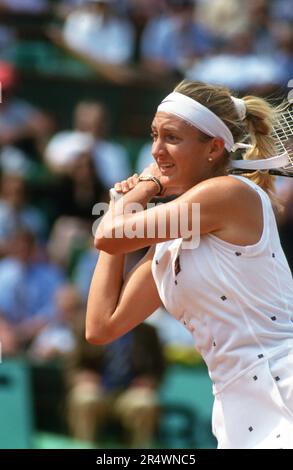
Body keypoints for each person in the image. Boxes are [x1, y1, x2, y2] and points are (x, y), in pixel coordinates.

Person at [86, 79, 293, 449]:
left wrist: (142, 188)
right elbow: (102, 326)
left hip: (283, 385)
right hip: (235, 411)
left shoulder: (228, 193)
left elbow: (107, 234)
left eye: (171, 138)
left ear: (214, 148)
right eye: (154, 136)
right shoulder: (168, 244)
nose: (156, 151)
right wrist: (121, 204)